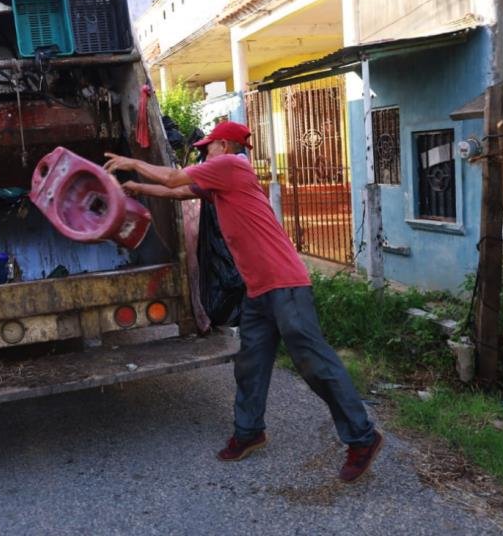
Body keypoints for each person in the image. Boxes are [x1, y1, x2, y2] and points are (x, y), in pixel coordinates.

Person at [104, 120, 383, 482]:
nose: (205, 151)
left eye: (209, 146)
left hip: (285, 285)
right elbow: (179, 192)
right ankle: (250, 432)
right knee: (250, 363)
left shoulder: (232, 166)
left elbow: (174, 179)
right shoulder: (221, 183)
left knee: (315, 363)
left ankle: (362, 438)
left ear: (225, 145)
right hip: (258, 291)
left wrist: (133, 163)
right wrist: (138, 186)